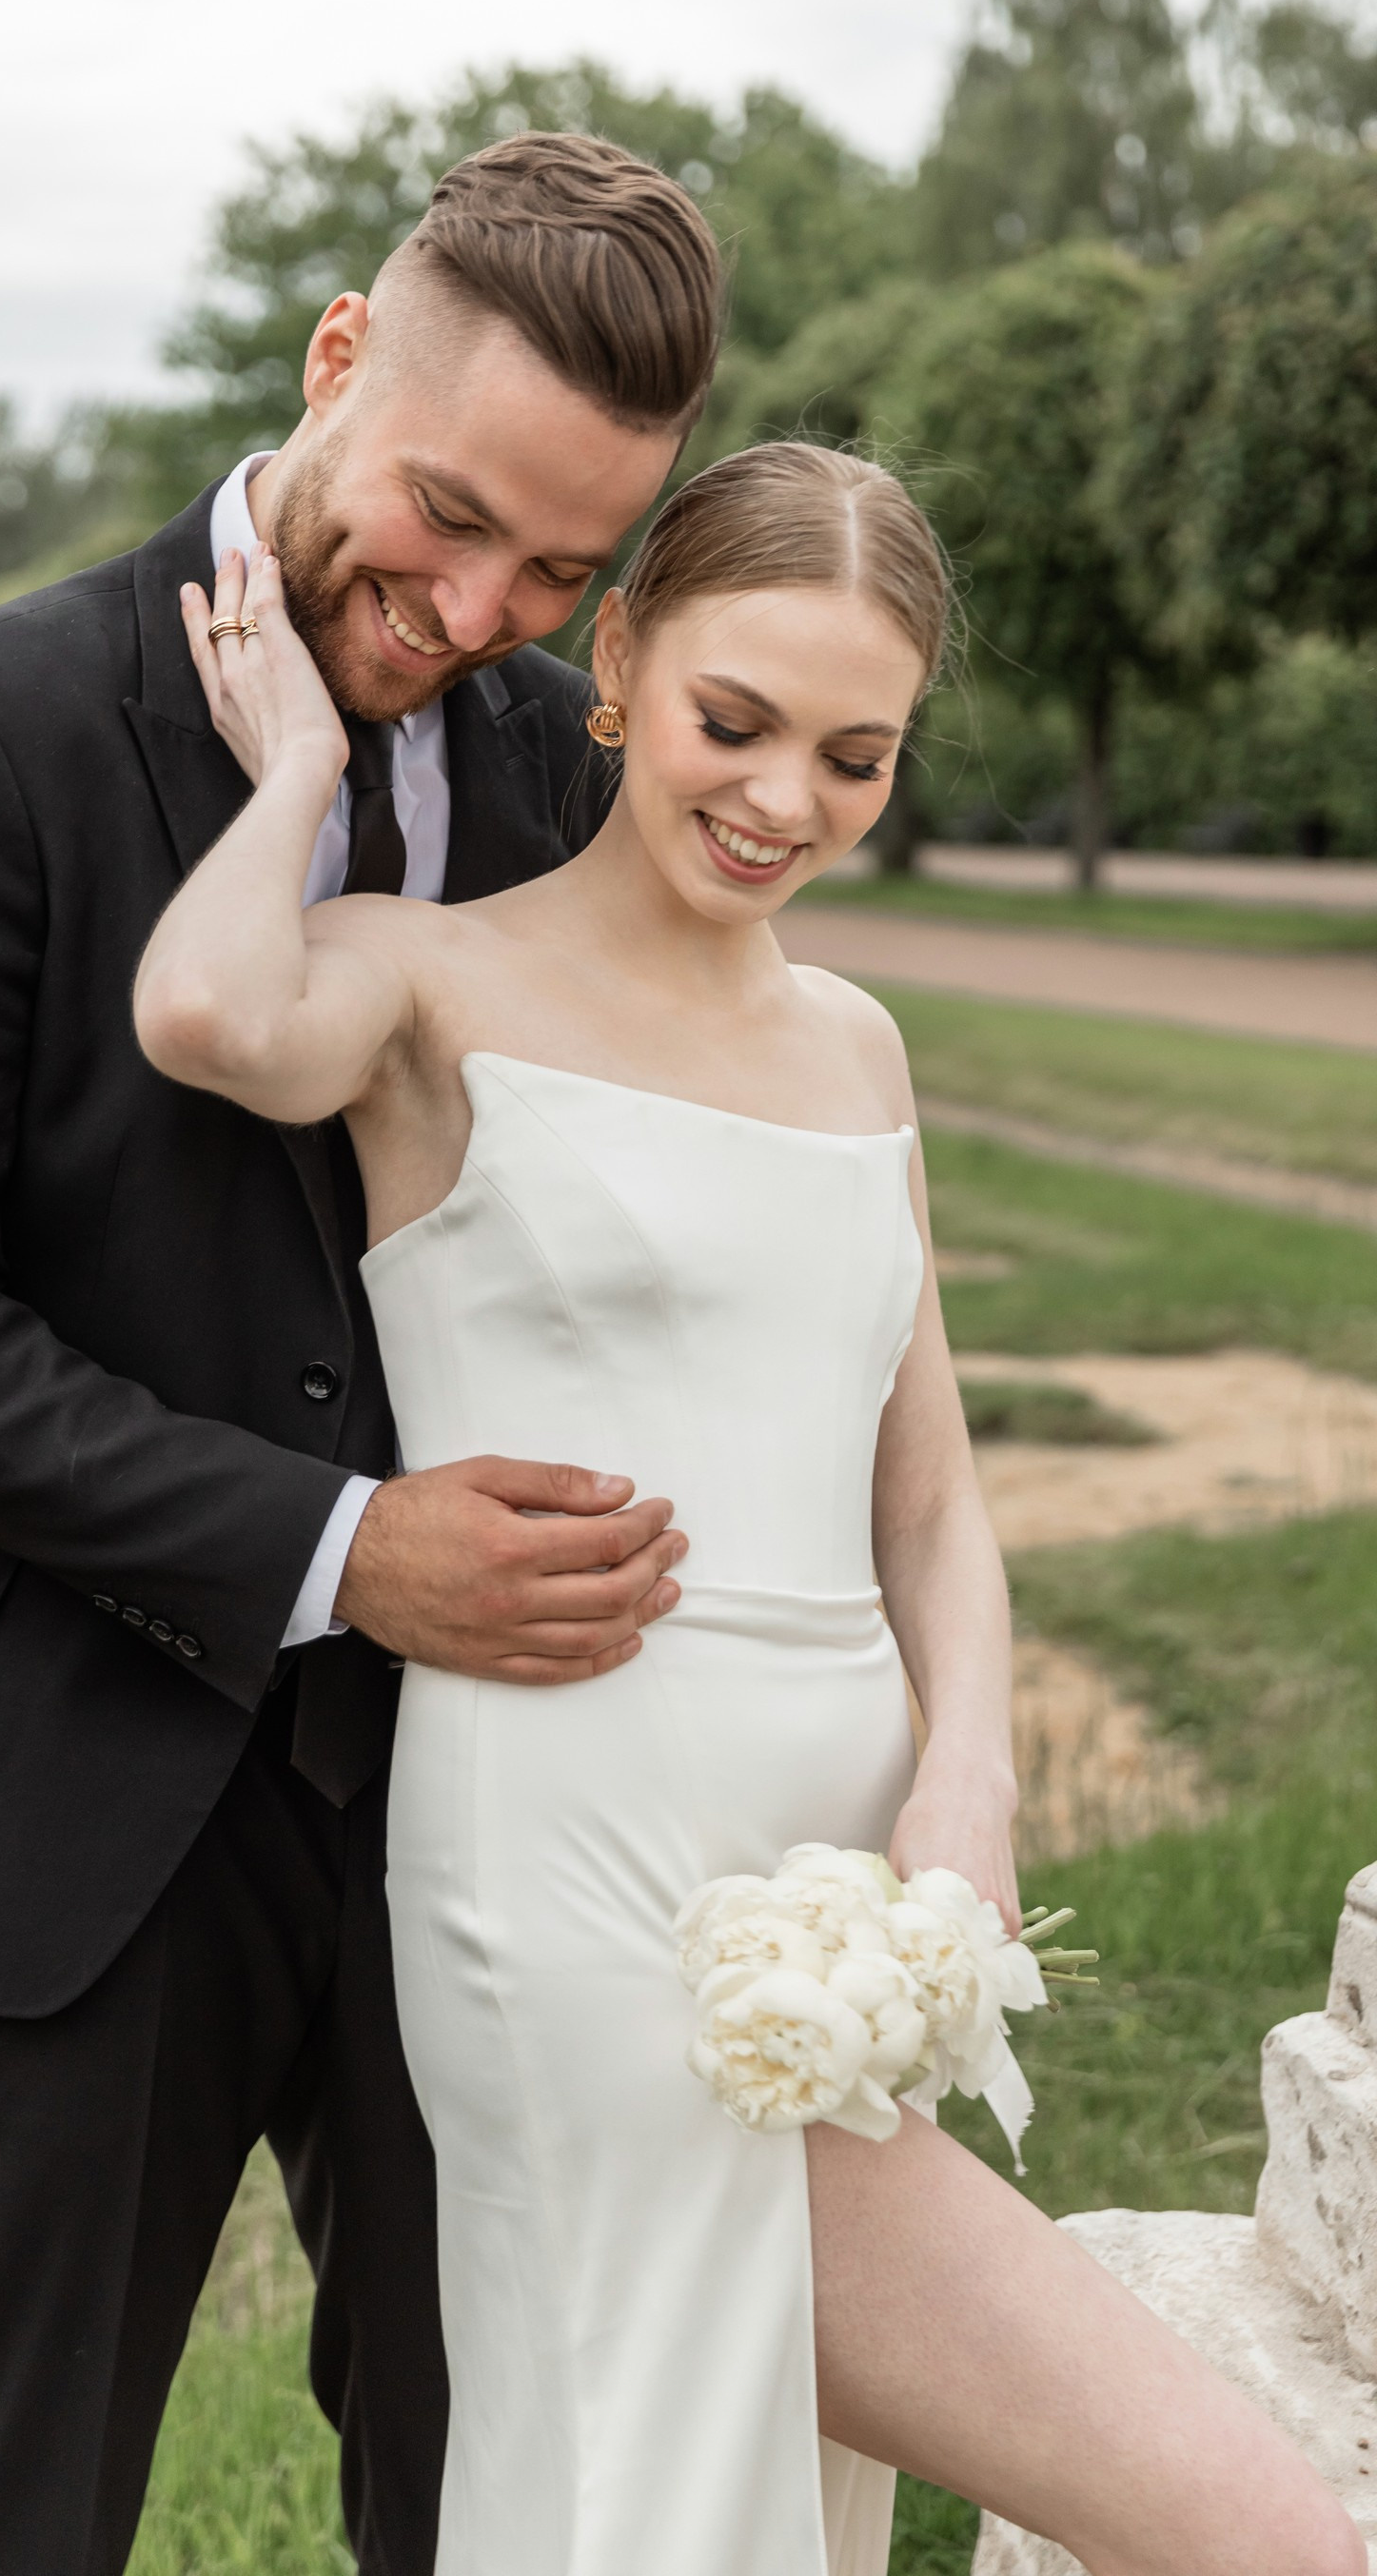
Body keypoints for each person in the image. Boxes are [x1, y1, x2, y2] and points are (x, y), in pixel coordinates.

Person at [134, 441, 1364, 2576]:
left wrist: (964, 1796)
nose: (785, 798)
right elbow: (207, 1011)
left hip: (854, 1886)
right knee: (1243, 2531)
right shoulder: (426, 982)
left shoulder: (859, 1050)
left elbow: (934, 1500)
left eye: (855, 754)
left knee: (766, 2516)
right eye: (735, 722)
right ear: (618, 658)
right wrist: (292, 773)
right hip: (575, 1871)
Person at [0, 132, 723, 2576]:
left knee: (494, 2484)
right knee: (15, 2524)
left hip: (481, 1821)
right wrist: (336, 1551)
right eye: (444, 511)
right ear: (332, 365)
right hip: (48, 1805)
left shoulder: (552, 774)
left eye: (561, 569)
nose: (477, 606)